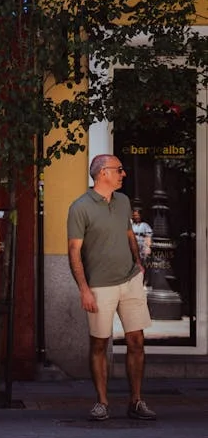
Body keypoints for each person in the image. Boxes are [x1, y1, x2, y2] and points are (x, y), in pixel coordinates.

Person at [67, 154, 156, 422]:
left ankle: (136, 401)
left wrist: (138, 264)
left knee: (136, 341)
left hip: (130, 281)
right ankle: (102, 402)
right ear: (103, 173)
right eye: (119, 170)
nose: (123, 174)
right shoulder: (79, 207)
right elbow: (74, 251)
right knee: (99, 344)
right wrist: (83, 288)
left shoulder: (124, 202)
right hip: (99, 286)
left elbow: (129, 234)